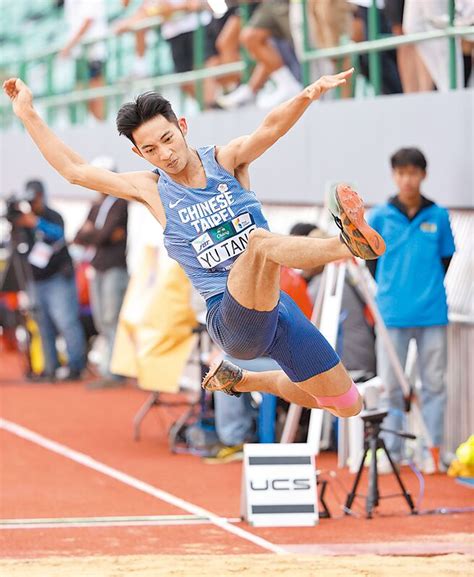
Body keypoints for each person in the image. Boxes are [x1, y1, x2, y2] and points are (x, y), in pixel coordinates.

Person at [3, 67, 385, 420]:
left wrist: (307, 94)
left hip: (276, 308)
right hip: (230, 320)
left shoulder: (226, 160)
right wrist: (28, 114)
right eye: (150, 150)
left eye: (168, 140)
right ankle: (348, 244)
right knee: (258, 244)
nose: (165, 155)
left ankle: (250, 380)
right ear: (139, 154)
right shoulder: (151, 190)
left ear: (182, 126)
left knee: (347, 404)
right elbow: (74, 171)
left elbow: (269, 129)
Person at [367, 148, 455, 471]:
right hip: (392, 314)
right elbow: (371, 263)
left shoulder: (439, 216)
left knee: (434, 384)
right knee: (391, 387)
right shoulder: (378, 216)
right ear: (394, 176)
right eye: (401, 173)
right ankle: (393, 451)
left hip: (432, 313)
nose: (407, 179)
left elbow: (445, 260)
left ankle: (432, 450)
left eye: (413, 173)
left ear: (423, 175)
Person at [13, 180, 86, 381]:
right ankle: (50, 367)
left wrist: (35, 223)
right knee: (43, 325)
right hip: (34, 281)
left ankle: (75, 367)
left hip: (57, 279)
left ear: (42, 195)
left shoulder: (52, 216)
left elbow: (60, 234)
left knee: (66, 322)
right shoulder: (21, 221)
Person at [74, 157, 129, 389]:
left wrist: (94, 233)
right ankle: (109, 366)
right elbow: (79, 235)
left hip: (114, 268)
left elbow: (101, 235)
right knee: (100, 319)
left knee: (111, 318)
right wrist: (97, 234)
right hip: (98, 268)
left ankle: (115, 371)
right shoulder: (97, 204)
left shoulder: (119, 203)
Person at [217, 0, 303, 110]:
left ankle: (252, 90)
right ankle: (285, 85)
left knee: (302, 44)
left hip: (290, 4)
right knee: (250, 37)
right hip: (270, 5)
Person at [61, 0, 108, 121]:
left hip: (94, 52)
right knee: (82, 90)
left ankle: (101, 122)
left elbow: (88, 22)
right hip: (80, 53)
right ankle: (98, 122)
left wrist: (69, 45)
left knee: (95, 92)